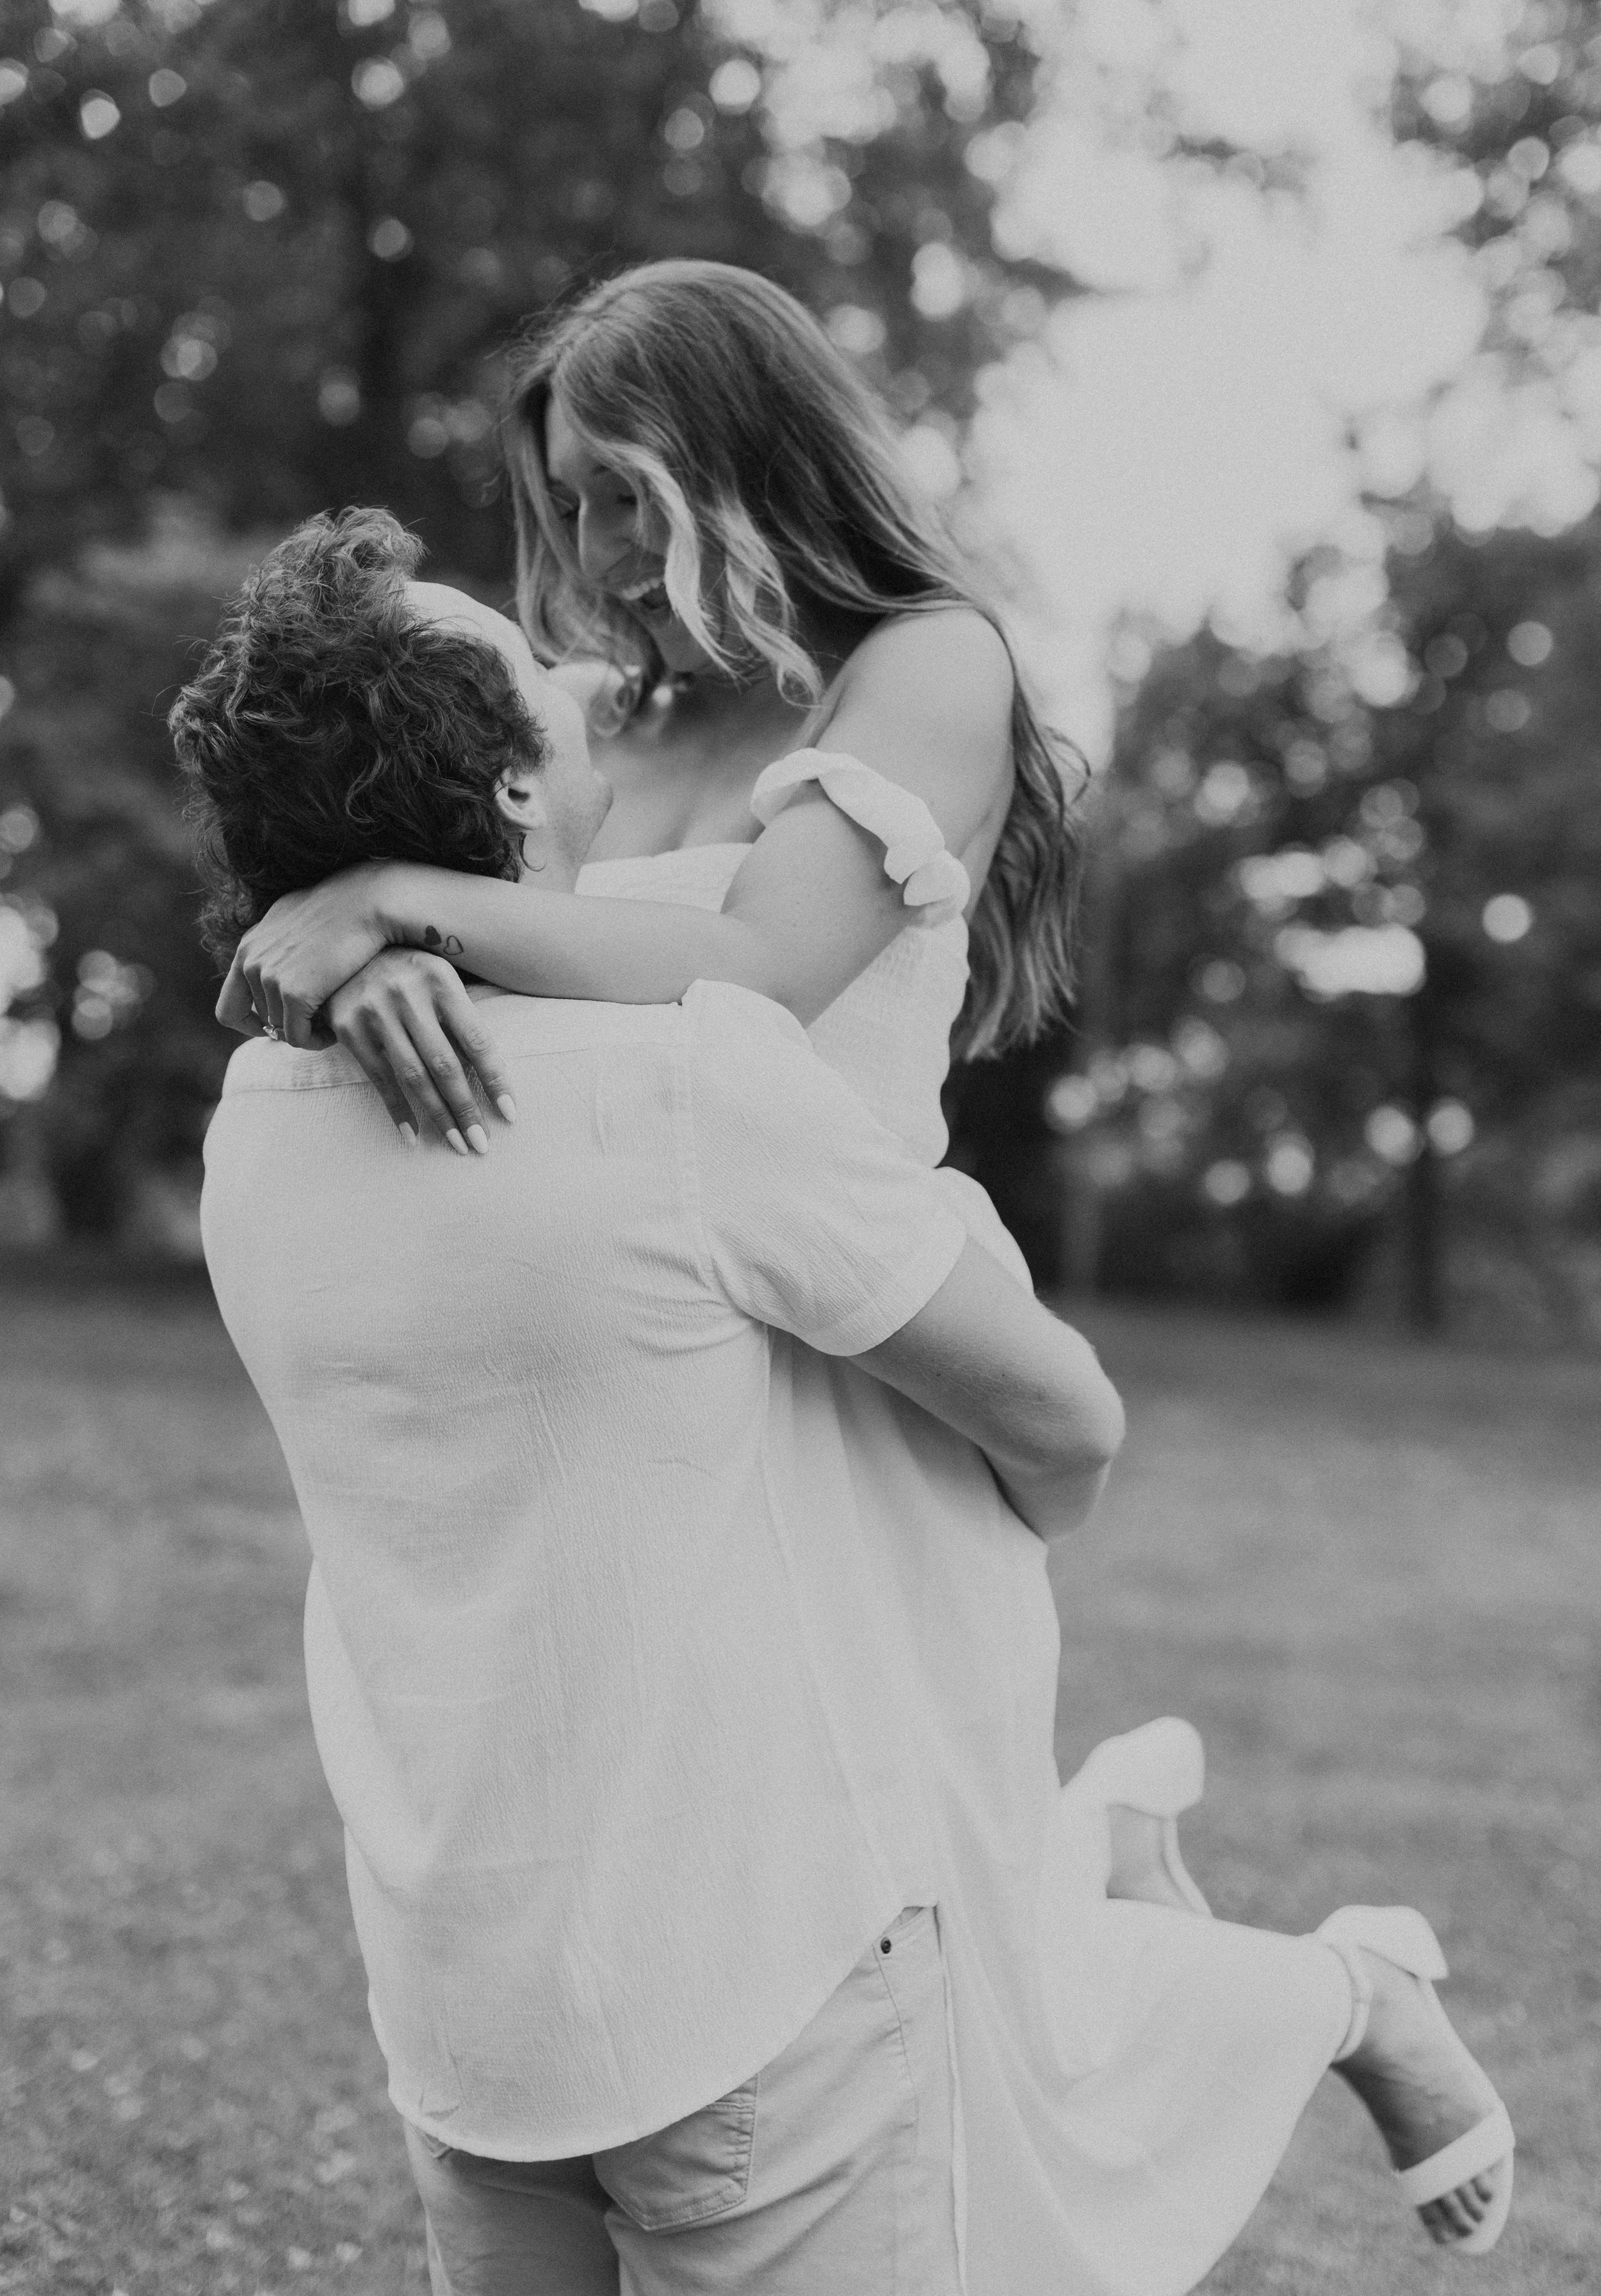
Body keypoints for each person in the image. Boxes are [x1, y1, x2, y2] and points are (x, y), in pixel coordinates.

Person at [207, 261, 1514, 2289]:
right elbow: (503, 881)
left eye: (631, 495)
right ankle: (1135, 1887)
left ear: (748, 459)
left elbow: (745, 974)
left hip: (862, 1356)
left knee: (898, 1963)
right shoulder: (607, 710)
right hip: (652, 1378)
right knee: (811, 1937)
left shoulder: (921, 665)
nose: (597, 555)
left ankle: (1343, 1994)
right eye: (570, 503)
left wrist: (395, 902)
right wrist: (391, 961)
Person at [182, 507, 1128, 2293]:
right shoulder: (686, 1086)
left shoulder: (253, 1128)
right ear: (515, 791)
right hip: (755, 1988)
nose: (570, 662)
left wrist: (388, 928)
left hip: (469, 2010)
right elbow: (1067, 1422)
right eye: (524, 662)